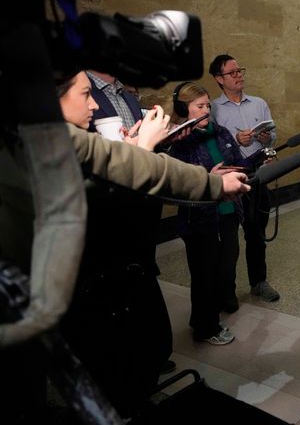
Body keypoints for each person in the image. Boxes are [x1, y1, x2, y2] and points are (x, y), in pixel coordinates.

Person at [55, 70, 251, 415]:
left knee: (143, 341)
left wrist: (141, 150)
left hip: (122, 252)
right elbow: (90, 200)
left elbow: (147, 169)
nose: (93, 104)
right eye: (85, 95)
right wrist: (141, 149)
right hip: (75, 276)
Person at [168, 82, 253, 345]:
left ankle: (219, 305)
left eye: (208, 106)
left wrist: (260, 158)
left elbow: (239, 163)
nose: (206, 111)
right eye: (199, 107)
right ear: (184, 109)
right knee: (204, 274)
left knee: (226, 266)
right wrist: (208, 178)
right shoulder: (178, 142)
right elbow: (175, 183)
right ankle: (205, 326)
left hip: (229, 212)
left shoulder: (222, 132)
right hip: (199, 219)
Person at [209, 54, 280, 302]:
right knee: (228, 239)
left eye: (240, 70)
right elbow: (211, 143)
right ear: (219, 79)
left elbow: (273, 138)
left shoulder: (258, 104)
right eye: (232, 72)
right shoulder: (213, 108)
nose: (239, 75)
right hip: (230, 178)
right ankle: (225, 291)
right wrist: (235, 141)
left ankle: (258, 282)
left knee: (257, 233)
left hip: (258, 175)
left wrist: (266, 142)